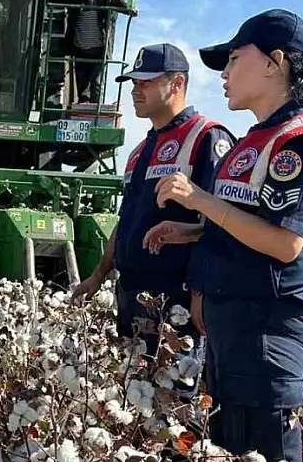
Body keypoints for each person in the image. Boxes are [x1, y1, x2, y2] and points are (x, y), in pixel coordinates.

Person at [147, 9, 303, 462]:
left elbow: (284, 243)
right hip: (236, 326)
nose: (225, 73)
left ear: (275, 62)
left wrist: (200, 203)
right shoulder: (254, 142)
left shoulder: (298, 142)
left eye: (234, 59)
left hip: (267, 323)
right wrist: (190, 232)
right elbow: (243, 224)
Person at [73, 43, 234, 401]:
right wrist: (98, 275)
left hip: (175, 301)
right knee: (133, 398)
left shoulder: (206, 138)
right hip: (131, 295)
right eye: (133, 83)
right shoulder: (138, 151)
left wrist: (200, 294)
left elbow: (226, 224)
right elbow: (125, 220)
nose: (135, 90)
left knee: (175, 403)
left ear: (177, 84)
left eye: (145, 82)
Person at [46, 0, 135, 105]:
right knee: (82, 88)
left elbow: (124, 5)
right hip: (80, 51)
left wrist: (130, 7)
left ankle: (94, 112)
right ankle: (83, 110)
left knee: (96, 83)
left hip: (99, 52)